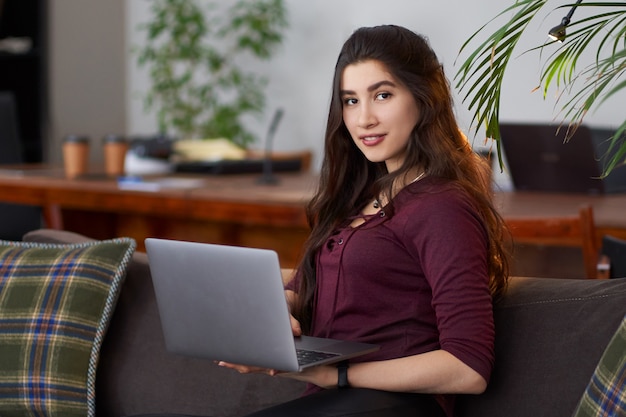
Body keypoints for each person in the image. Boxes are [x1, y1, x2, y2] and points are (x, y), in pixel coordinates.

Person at [219, 24, 510, 417]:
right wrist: (264, 323)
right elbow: (301, 289)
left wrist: (339, 375)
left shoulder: (442, 206)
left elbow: (469, 367)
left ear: (424, 99)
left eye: (383, 95)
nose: (364, 118)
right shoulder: (358, 198)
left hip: (392, 407)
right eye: (351, 101)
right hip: (337, 403)